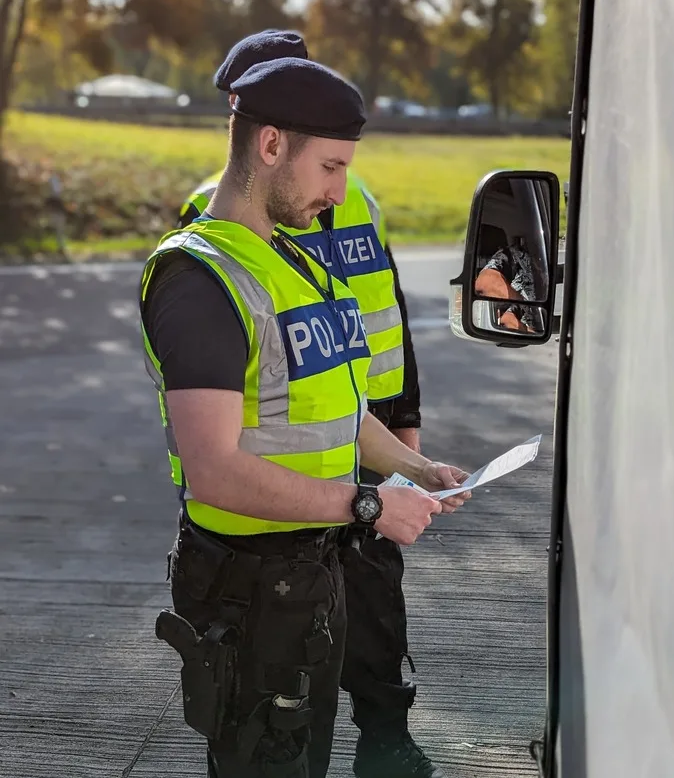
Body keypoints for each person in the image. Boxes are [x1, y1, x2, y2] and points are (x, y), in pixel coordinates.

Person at [139, 56, 471, 778]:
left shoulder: (291, 263)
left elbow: (338, 411)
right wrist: (368, 504)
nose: (339, 191)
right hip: (246, 594)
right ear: (269, 145)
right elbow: (213, 473)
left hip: (308, 580)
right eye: (328, 167)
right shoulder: (200, 280)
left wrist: (415, 467)